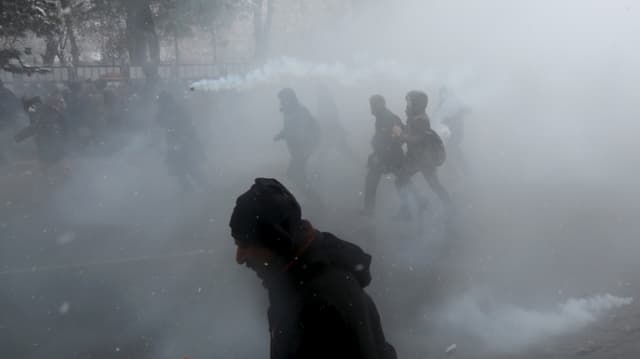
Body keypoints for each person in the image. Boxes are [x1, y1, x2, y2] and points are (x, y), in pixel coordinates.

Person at [229, 178, 397, 359]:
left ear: (275, 241)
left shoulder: (316, 305)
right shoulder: (300, 276)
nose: (239, 258)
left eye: (245, 245)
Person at [362, 95, 426, 218]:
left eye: (374, 105)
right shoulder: (382, 117)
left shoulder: (388, 117)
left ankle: (369, 210)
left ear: (380, 105)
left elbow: (399, 134)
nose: (371, 108)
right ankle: (418, 202)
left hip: (390, 156)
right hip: (389, 156)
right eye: (371, 105)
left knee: (377, 179)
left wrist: (385, 149)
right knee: (401, 181)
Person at [396, 90, 452, 213]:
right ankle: (412, 205)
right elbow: (412, 133)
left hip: (423, 159)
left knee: (434, 185)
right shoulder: (414, 116)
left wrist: (402, 136)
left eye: (410, 101)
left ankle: (448, 206)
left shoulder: (421, 119)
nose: (407, 104)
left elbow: (418, 138)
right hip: (415, 157)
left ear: (417, 103)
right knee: (401, 179)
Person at [274, 88, 321, 201]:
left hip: (303, 150)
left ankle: (315, 200)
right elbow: (289, 129)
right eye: (281, 100)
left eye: (283, 100)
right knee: (298, 175)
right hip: (298, 150)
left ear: (290, 99)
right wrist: (281, 135)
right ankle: (314, 200)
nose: (281, 103)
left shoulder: (300, 112)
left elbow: (300, 135)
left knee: (293, 174)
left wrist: (287, 136)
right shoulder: (290, 111)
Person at [156, 91, 207, 191]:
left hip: (183, 143)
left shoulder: (176, 110)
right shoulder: (169, 110)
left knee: (189, 168)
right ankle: (189, 188)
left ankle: (203, 187)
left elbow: (183, 127)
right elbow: (160, 122)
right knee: (181, 169)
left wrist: (181, 142)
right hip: (177, 143)